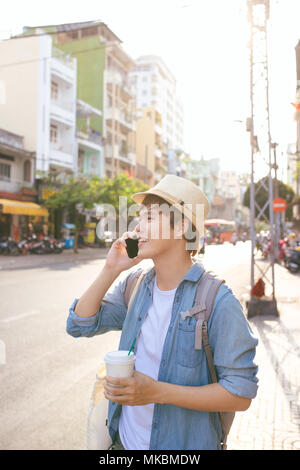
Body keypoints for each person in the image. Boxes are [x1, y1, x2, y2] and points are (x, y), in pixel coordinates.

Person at [66, 174, 258, 450]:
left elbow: (240, 394)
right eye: (140, 217)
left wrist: (158, 393)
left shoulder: (218, 300)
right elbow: (79, 325)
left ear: (181, 226)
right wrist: (110, 269)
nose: (138, 227)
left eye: (150, 218)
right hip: (123, 445)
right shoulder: (136, 285)